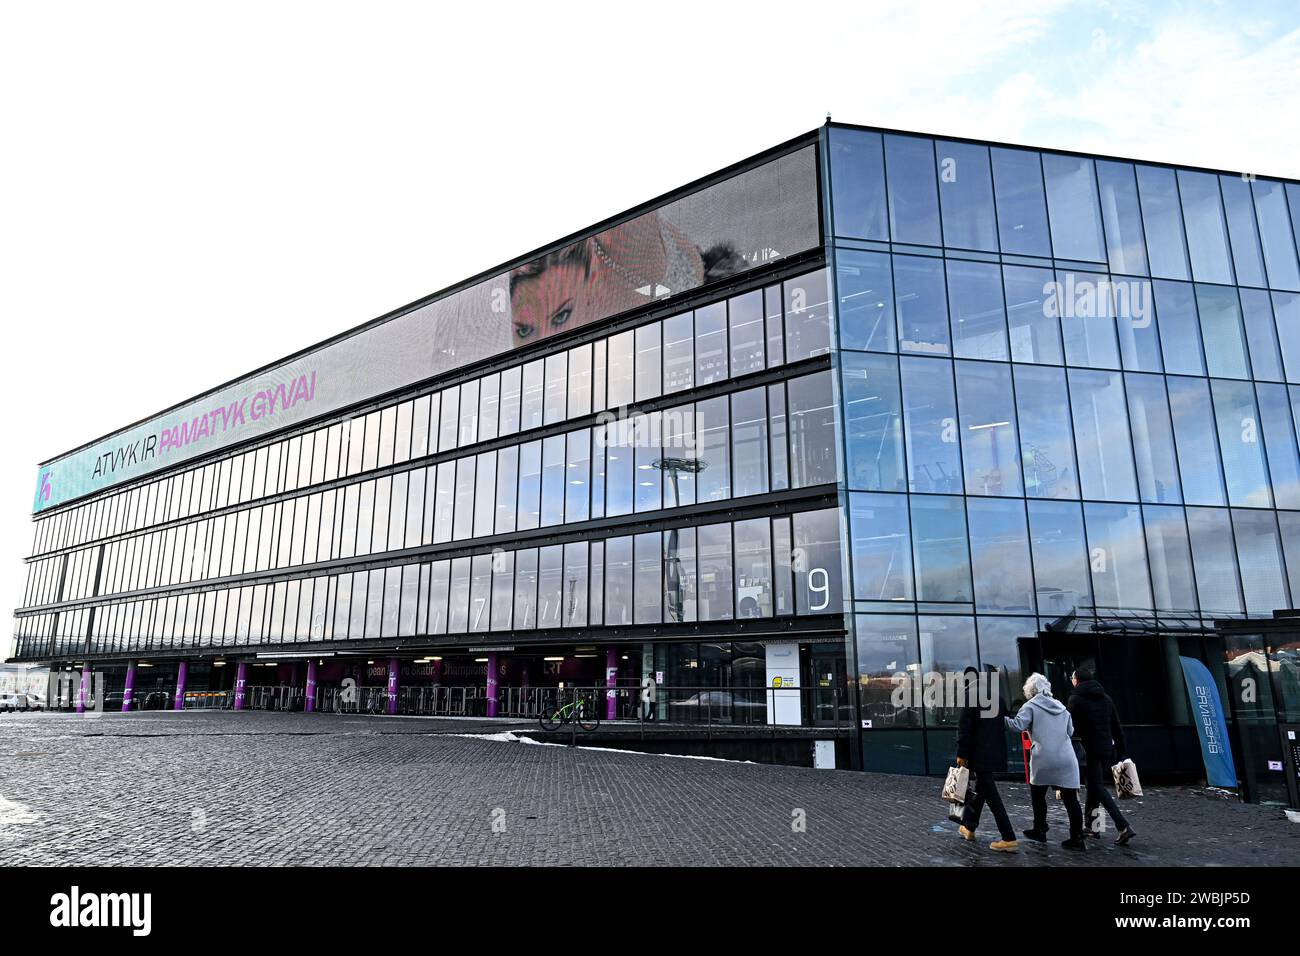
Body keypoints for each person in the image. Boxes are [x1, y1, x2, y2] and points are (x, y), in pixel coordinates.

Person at [1005, 673, 1086, 850]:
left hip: (1044, 758)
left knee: (1038, 795)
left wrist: (1000, 718)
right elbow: (1070, 731)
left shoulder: (1030, 706)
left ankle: (1040, 829)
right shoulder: (1062, 707)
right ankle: (1077, 837)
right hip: (1066, 759)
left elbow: (1016, 725)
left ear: (1030, 690)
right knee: (1071, 800)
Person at [1068, 666, 1137, 846]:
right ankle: (1093, 828)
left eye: (1072, 678)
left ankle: (1123, 826)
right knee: (1093, 788)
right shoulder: (1106, 698)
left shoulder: (1075, 699)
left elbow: (1070, 728)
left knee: (1096, 787)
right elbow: (1116, 726)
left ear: (1078, 680)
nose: (1072, 680)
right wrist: (1122, 751)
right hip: (1107, 749)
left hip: (1088, 750)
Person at [955, 666, 1017, 852]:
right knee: (981, 789)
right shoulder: (997, 697)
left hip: (978, 754)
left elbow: (964, 729)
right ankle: (969, 827)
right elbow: (1003, 724)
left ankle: (1009, 837)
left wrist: (962, 754)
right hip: (994, 753)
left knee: (991, 794)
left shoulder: (970, 696)